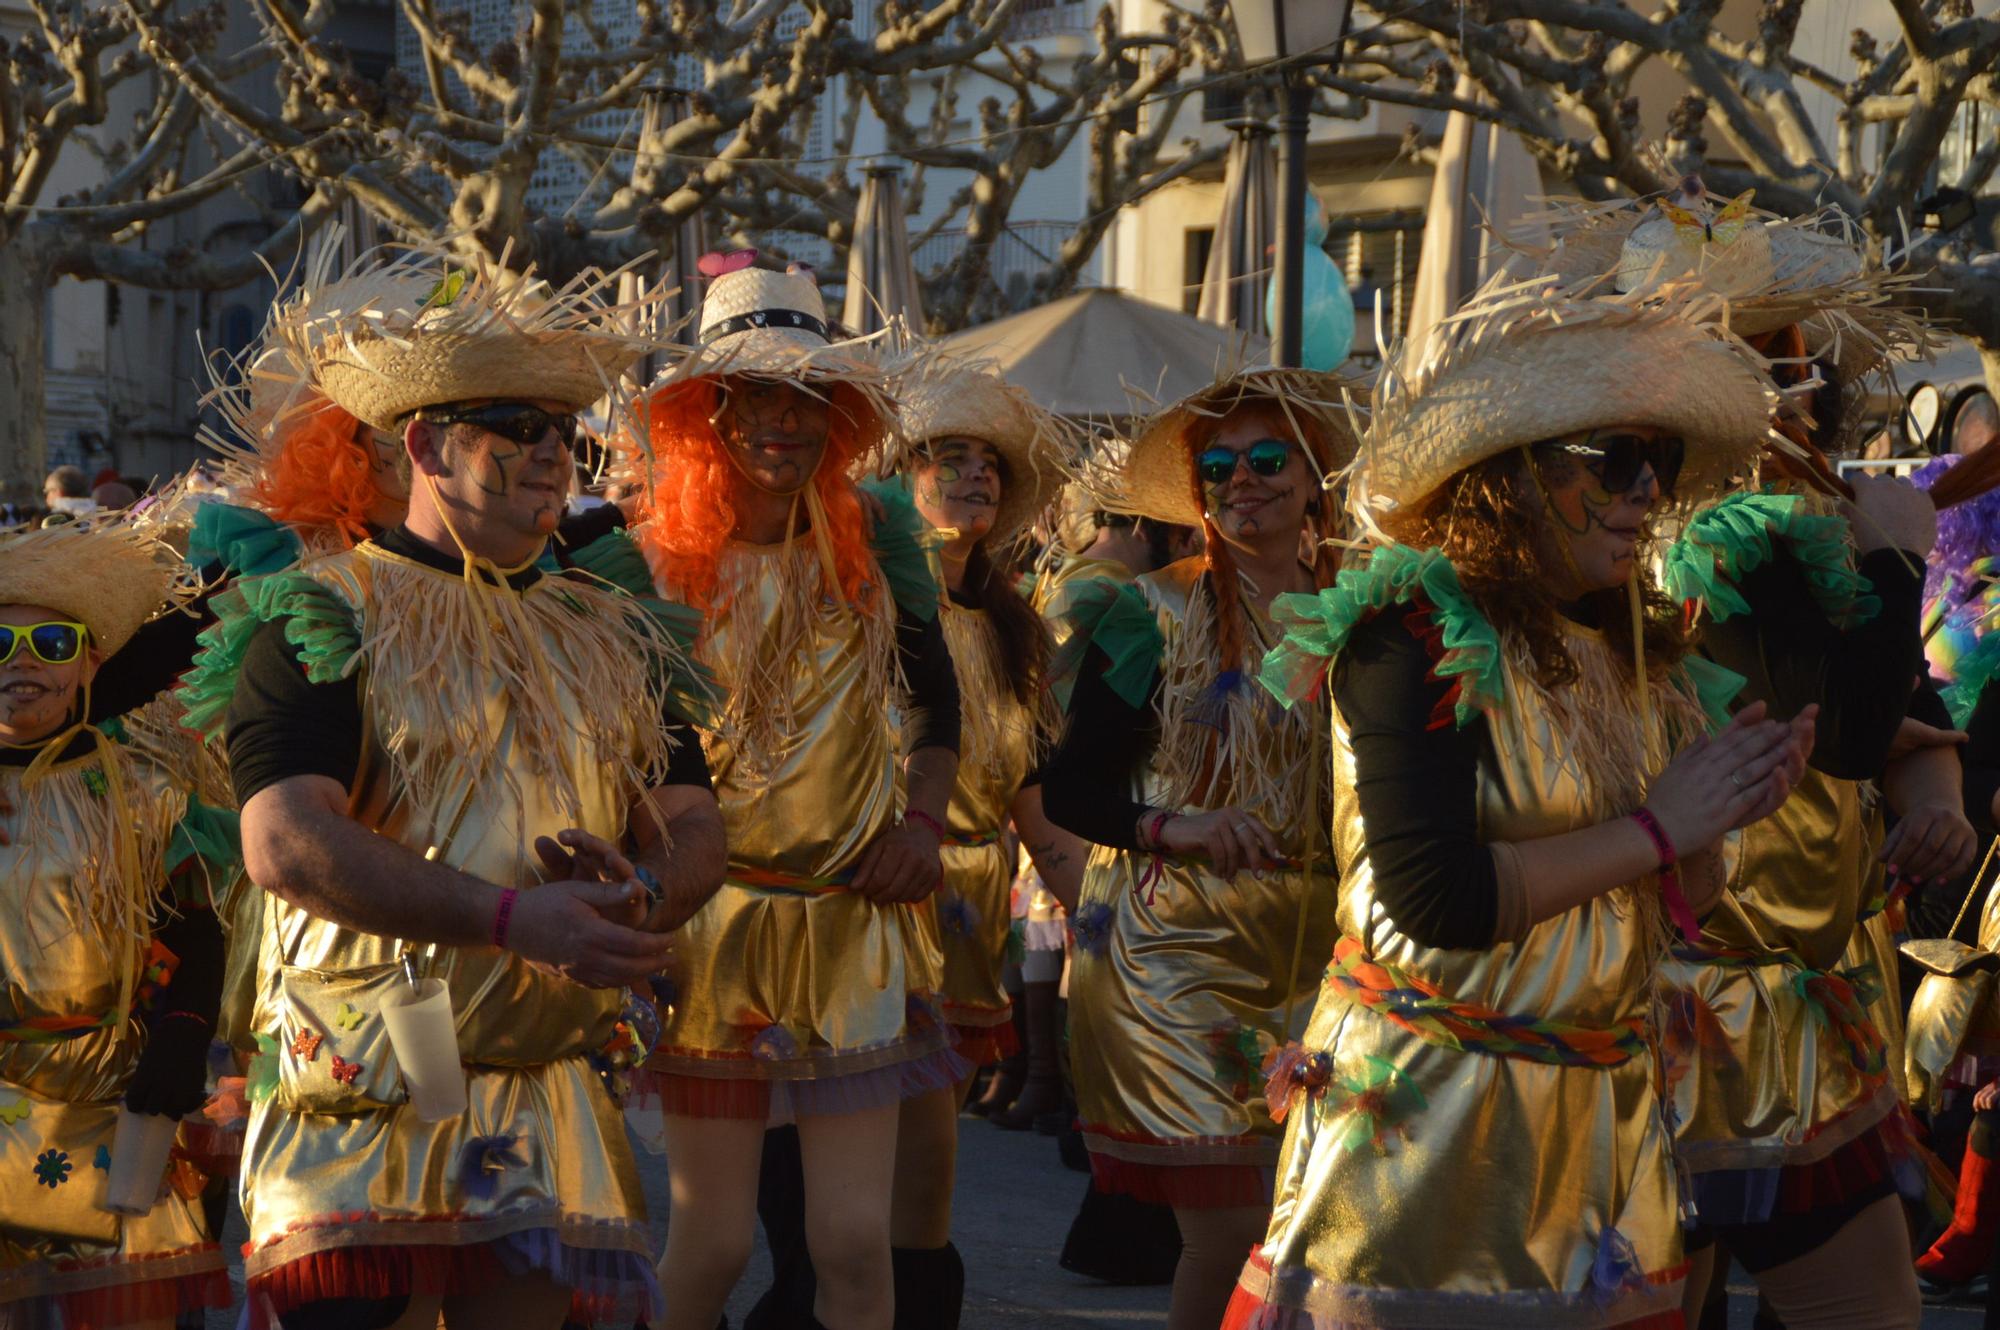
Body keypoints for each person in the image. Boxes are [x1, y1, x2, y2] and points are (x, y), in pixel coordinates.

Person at [1225, 284, 1815, 1330]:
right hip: (1423, 1126)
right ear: (1513, 479)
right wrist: (1654, 828)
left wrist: (1713, 819)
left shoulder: (1634, 649)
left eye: (1660, 464)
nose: (1645, 492)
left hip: (1596, 1124)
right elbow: (1433, 897)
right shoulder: (1405, 632)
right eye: (1613, 460)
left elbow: (1681, 905)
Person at [180, 242, 723, 1330]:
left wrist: (639, 900)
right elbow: (282, 839)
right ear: (426, 441)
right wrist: (513, 918)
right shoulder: (324, 611)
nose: (551, 455)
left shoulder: (612, 630)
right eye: (515, 429)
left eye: (562, 433)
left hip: (537, 1077)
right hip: (360, 1086)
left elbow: (695, 819)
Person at [622, 256, 962, 1330]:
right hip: (710, 932)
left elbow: (935, 705)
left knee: (853, 1247)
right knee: (712, 1245)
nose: (782, 421)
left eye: (806, 399)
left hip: (848, 926)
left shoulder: (877, 540)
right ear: (707, 414)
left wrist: (918, 822)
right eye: (755, 397)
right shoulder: (644, 564)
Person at [1041, 367, 1357, 1330]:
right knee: (1227, 1238)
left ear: (1311, 479)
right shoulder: (1149, 610)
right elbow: (1071, 787)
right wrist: (1178, 827)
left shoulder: (1360, 612)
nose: (1241, 481)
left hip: (1317, 950)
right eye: (1218, 467)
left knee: (1305, 1228)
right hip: (1168, 950)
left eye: (1267, 459)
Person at [0, 518, 234, 1330]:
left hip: (112, 1107)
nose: (22, 660)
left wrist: (182, 1035)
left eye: (52, 642)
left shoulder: (139, 784)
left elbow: (196, 930)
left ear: (90, 663)